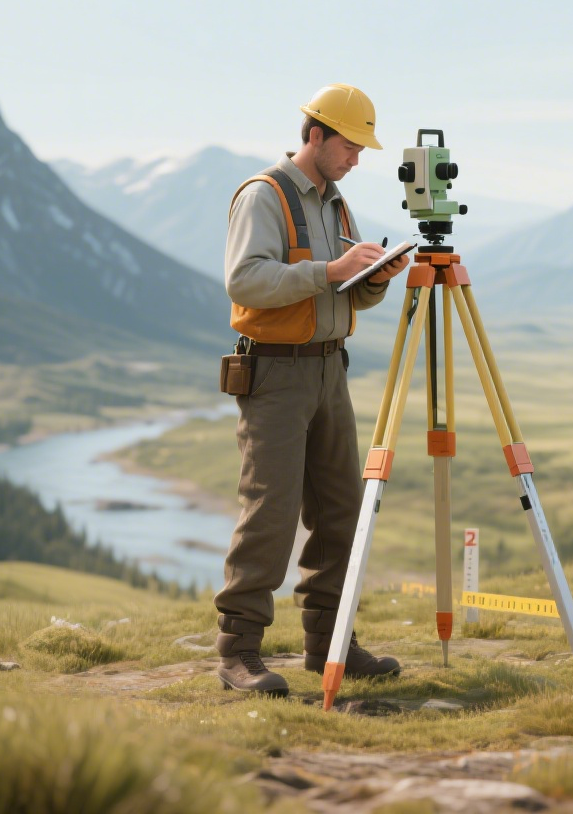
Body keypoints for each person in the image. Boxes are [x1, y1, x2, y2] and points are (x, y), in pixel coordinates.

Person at [214, 84, 410, 696]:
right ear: (316, 135)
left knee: (339, 511)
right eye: (351, 145)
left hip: (329, 370)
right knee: (270, 512)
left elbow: (339, 292)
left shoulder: (338, 206)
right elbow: (245, 281)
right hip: (274, 374)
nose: (357, 158)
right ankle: (237, 654)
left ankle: (330, 645)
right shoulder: (263, 197)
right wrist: (331, 271)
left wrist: (374, 278)